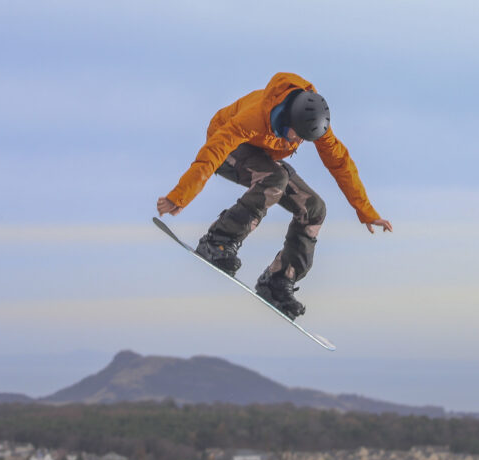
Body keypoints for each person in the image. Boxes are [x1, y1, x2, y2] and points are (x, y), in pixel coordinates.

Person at [157, 72, 392, 320]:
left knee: (314, 208)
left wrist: (366, 212)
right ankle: (218, 242)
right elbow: (213, 152)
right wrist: (181, 195)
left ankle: (278, 281)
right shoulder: (254, 116)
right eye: (298, 136)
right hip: (225, 147)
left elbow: (341, 164)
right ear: (287, 119)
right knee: (274, 179)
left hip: (261, 156)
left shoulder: (313, 122)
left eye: (305, 138)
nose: (300, 141)